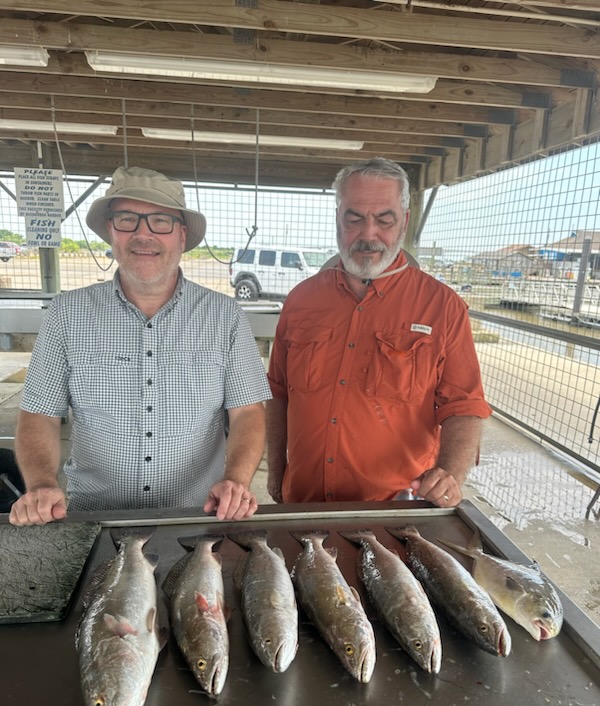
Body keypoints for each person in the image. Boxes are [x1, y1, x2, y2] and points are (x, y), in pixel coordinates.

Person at [9, 166, 271, 526]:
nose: (143, 234)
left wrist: (236, 481)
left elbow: (248, 412)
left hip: (196, 516)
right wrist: (40, 483)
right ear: (110, 233)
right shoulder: (67, 314)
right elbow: (40, 413)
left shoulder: (225, 315)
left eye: (160, 221)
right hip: (93, 518)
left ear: (181, 236)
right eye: (127, 219)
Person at [266, 157, 491, 508]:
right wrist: (276, 468)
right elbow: (278, 393)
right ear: (338, 218)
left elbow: (464, 405)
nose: (368, 235)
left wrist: (450, 472)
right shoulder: (301, 300)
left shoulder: (442, 306)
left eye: (383, 220)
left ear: (403, 220)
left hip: (396, 510)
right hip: (304, 502)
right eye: (354, 218)